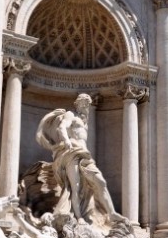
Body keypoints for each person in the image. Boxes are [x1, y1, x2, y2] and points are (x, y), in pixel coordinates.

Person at [36, 93, 117, 224]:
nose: (85, 105)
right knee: (76, 187)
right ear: (76, 104)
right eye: (82, 103)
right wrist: (66, 141)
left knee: (100, 182)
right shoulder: (71, 115)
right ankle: (79, 217)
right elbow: (61, 127)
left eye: (87, 103)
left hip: (85, 156)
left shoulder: (85, 121)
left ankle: (112, 213)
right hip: (72, 153)